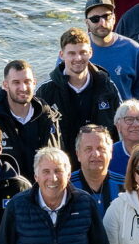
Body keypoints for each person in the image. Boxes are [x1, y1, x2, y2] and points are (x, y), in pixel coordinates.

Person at [38, 28, 123, 156]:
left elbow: (121, 127)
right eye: (71, 53)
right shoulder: (46, 91)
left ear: (91, 52)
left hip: (100, 161)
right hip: (62, 167)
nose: (78, 58)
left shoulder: (107, 86)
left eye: (83, 52)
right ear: (62, 55)